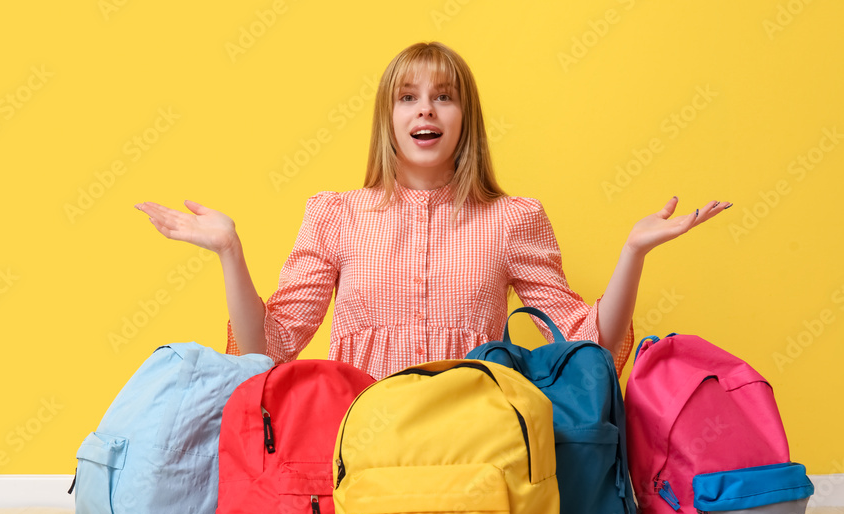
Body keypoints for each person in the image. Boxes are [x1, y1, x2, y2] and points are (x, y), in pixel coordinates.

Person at [134, 42, 730, 380]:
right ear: (387, 119)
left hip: (474, 441)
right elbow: (272, 348)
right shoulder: (334, 213)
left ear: (464, 118)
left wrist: (633, 251)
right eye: (409, 98)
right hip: (364, 439)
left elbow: (589, 340)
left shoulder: (513, 218)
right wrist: (229, 253)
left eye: (444, 97)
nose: (427, 111)